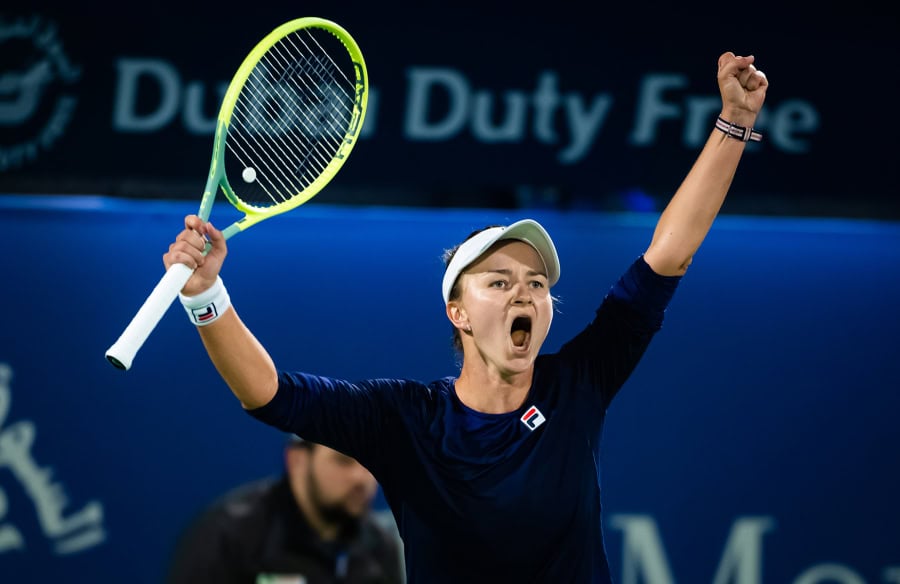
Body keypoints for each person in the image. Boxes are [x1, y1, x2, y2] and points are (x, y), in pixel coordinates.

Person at [162, 52, 768, 582]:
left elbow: (670, 253)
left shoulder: (579, 383)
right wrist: (205, 295)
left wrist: (734, 122)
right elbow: (266, 392)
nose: (523, 294)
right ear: (458, 313)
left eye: (536, 285)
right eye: (499, 282)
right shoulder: (403, 419)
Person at [166, 439, 404, 584]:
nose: (361, 478)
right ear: (297, 460)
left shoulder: (381, 546)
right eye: (343, 461)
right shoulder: (229, 536)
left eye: (371, 463)